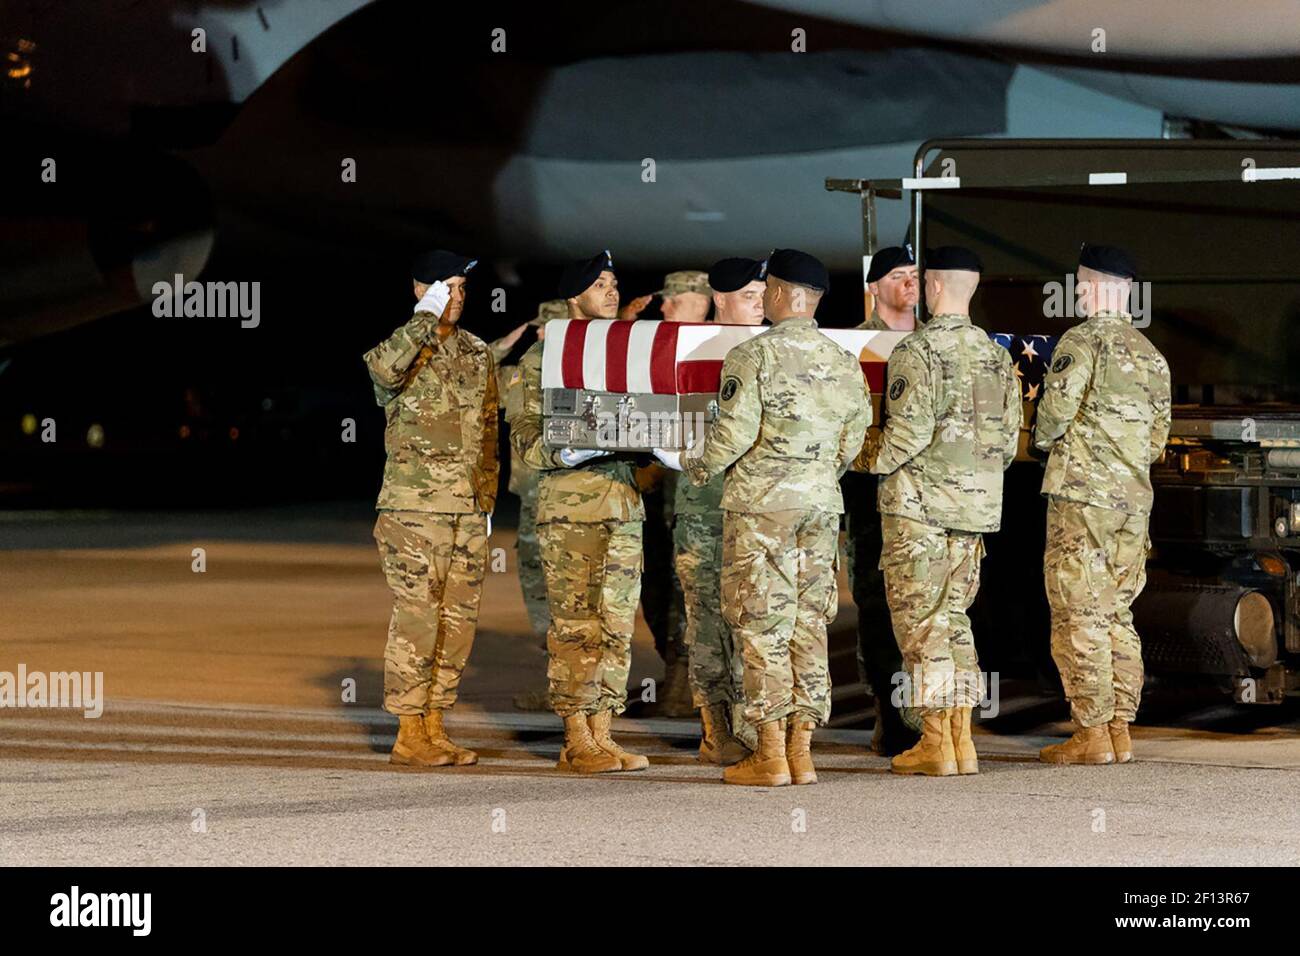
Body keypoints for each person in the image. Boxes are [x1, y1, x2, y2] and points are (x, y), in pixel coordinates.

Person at [662, 248, 870, 787]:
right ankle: (802, 753)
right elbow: (853, 441)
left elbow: (732, 435)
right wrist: (817, 473)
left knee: (762, 626)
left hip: (761, 510)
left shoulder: (754, 357)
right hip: (821, 506)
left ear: (779, 294)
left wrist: (693, 465)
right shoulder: (842, 359)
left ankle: (770, 752)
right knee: (809, 625)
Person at [867, 246, 1021, 777]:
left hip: (920, 513)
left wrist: (856, 454)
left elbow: (903, 437)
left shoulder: (919, 352)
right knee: (955, 624)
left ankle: (936, 740)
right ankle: (960, 740)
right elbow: (1006, 445)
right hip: (974, 512)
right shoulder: (998, 356)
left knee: (922, 626)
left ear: (932, 287)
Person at [507, 251, 649, 773]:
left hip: (621, 505)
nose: (611, 292)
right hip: (569, 508)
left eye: (614, 282)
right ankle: (575, 737)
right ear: (574, 298)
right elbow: (524, 438)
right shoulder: (543, 359)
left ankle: (603, 731)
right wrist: (566, 451)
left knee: (616, 624)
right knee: (574, 626)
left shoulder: (629, 354)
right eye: (598, 284)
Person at [1036, 244, 1171, 766]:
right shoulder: (1151, 355)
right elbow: (1158, 438)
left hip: (1083, 497)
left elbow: (1053, 415)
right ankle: (1118, 728)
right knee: (1117, 611)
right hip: (1133, 501)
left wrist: (1049, 440)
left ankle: (1090, 731)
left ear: (1087, 286)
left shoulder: (1082, 340)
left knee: (1078, 612)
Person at [363, 249, 498, 768]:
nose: (457, 298)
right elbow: (384, 372)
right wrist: (423, 318)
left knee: (458, 621)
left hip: (465, 510)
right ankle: (407, 729)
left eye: (462, 289)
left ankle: (435, 723)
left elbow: (488, 432)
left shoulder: (477, 351)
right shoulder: (402, 348)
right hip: (412, 509)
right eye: (446, 288)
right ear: (421, 289)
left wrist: (485, 498)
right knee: (418, 617)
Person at [674, 257, 767, 762]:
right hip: (703, 509)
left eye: (763, 293)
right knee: (708, 622)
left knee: (755, 617)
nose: (760, 303)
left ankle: (756, 727)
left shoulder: (771, 348)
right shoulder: (691, 347)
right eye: (750, 294)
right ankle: (715, 729)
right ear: (721, 299)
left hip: (757, 509)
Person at [845, 244, 923, 755]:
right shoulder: (849, 345)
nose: (909, 284)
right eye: (898, 276)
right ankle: (890, 711)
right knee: (877, 603)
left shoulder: (936, 341)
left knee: (933, 606)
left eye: (915, 275)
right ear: (875, 287)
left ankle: (933, 716)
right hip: (870, 490)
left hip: (927, 493)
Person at [493, 300, 568, 710]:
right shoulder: (522, 374)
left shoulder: (581, 374)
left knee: (571, 597)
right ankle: (554, 682)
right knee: (538, 591)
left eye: (548, 330)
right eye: (537, 329)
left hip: (570, 502)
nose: (539, 336)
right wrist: (506, 342)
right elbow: (477, 375)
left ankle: (574, 691)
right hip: (531, 501)